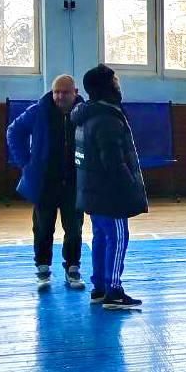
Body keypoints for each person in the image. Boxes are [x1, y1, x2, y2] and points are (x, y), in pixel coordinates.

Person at [72, 64, 148, 310]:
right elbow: (113, 161)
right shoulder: (106, 119)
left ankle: (100, 288)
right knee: (117, 238)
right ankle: (113, 290)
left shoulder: (86, 115)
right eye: (115, 81)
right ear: (107, 86)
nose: (118, 85)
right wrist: (130, 186)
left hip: (92, 192)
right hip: (109, 195)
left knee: (102, 238)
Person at [6, 75, 86, 291]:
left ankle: (73, 268)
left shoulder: (84, 113)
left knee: (74, 228)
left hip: (74, 182)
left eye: (65, 92)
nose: (59, 96)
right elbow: (14, 131)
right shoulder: (38, 111)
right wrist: (25, 162)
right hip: (45, 182)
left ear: (75, 92)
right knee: (42, 228)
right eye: (56, 92)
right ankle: (42, 270)